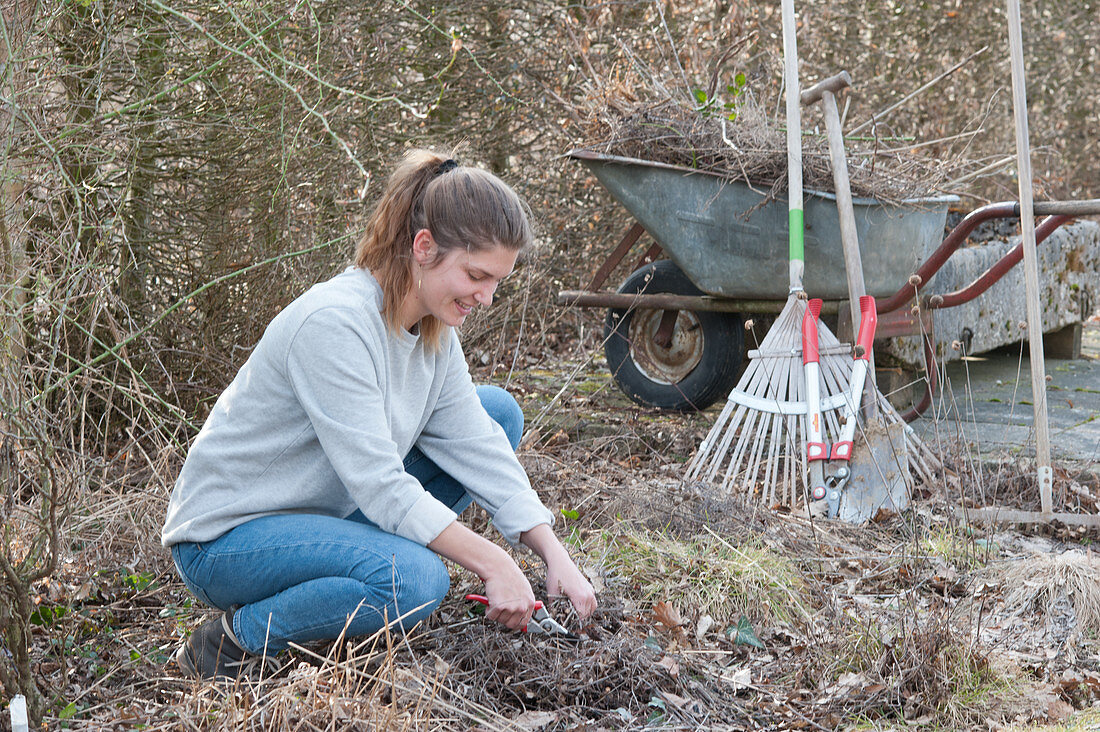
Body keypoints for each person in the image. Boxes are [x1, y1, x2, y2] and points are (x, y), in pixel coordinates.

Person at [162, 149, 597, 680]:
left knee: (495, 415)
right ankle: (236, 641)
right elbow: (382, 487)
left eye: (497, 282)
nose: (486, 298)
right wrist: (494, 561)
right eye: (476, 275)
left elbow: (477, 446)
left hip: (323, 513)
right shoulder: (335, 324)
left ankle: (347, 581)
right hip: (228, 540)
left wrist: (554, 554)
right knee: (415, 582)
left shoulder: (436, 332)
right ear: (423, 247)